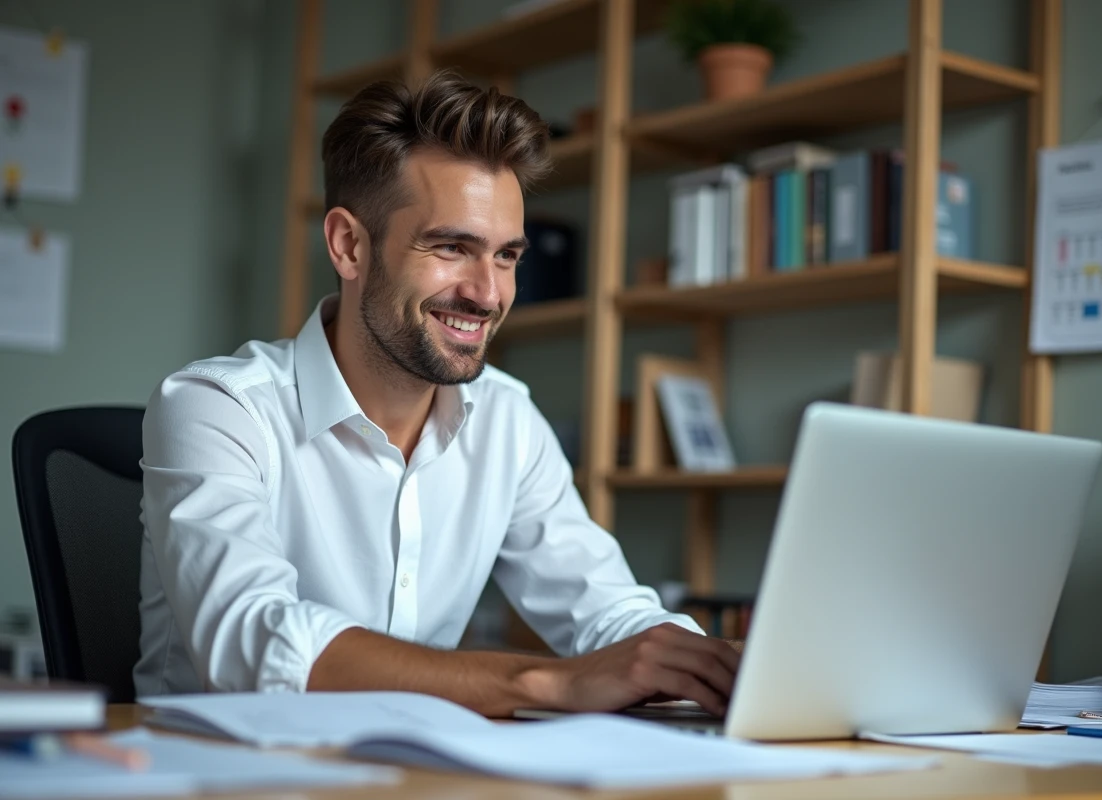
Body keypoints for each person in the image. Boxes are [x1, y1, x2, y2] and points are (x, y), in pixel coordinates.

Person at [134, 71, 740, 718]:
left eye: (506, 256)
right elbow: (253, 643)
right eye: (452, 247)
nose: (488, 293)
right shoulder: (217, 408)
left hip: (417, 775)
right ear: (349, 245)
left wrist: (711, 669)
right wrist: (545, 683)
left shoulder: (506, 419)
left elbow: (606, 611)